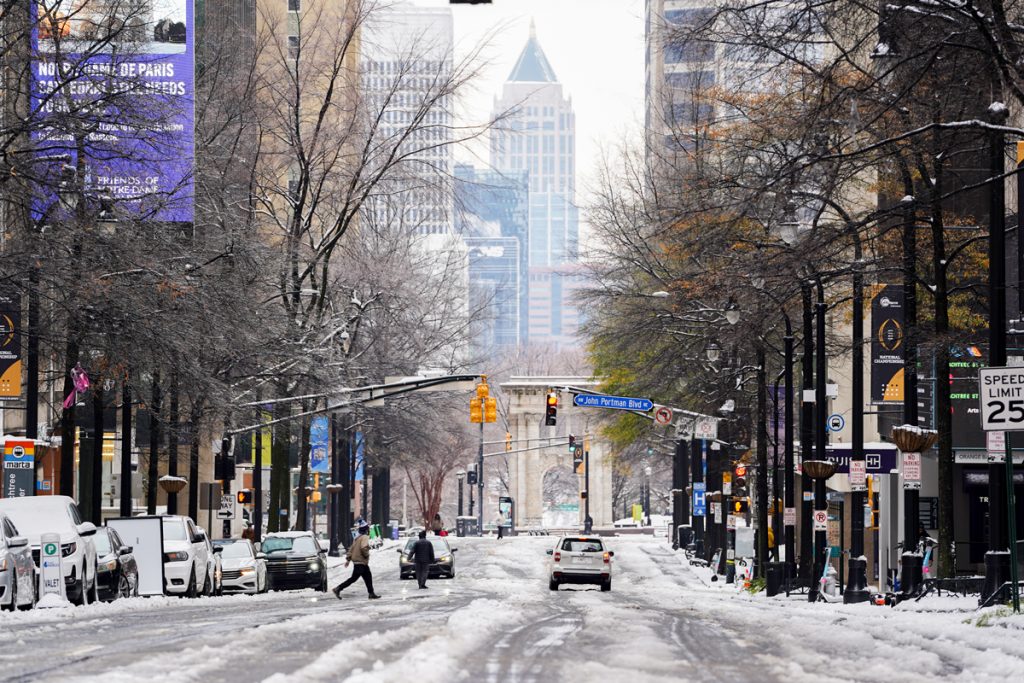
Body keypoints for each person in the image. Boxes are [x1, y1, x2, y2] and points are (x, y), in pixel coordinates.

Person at [333, 522, 381, 600]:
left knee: (368, 576)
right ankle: (338, 588)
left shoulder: (357, 538)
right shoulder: (365, 537)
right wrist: (366, 555)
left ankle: (371, 593)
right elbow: (363, 548)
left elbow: (351, 549)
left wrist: (348, 559)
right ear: (366, 530)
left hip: (359, 562)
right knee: (353, 578)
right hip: (360, 562)